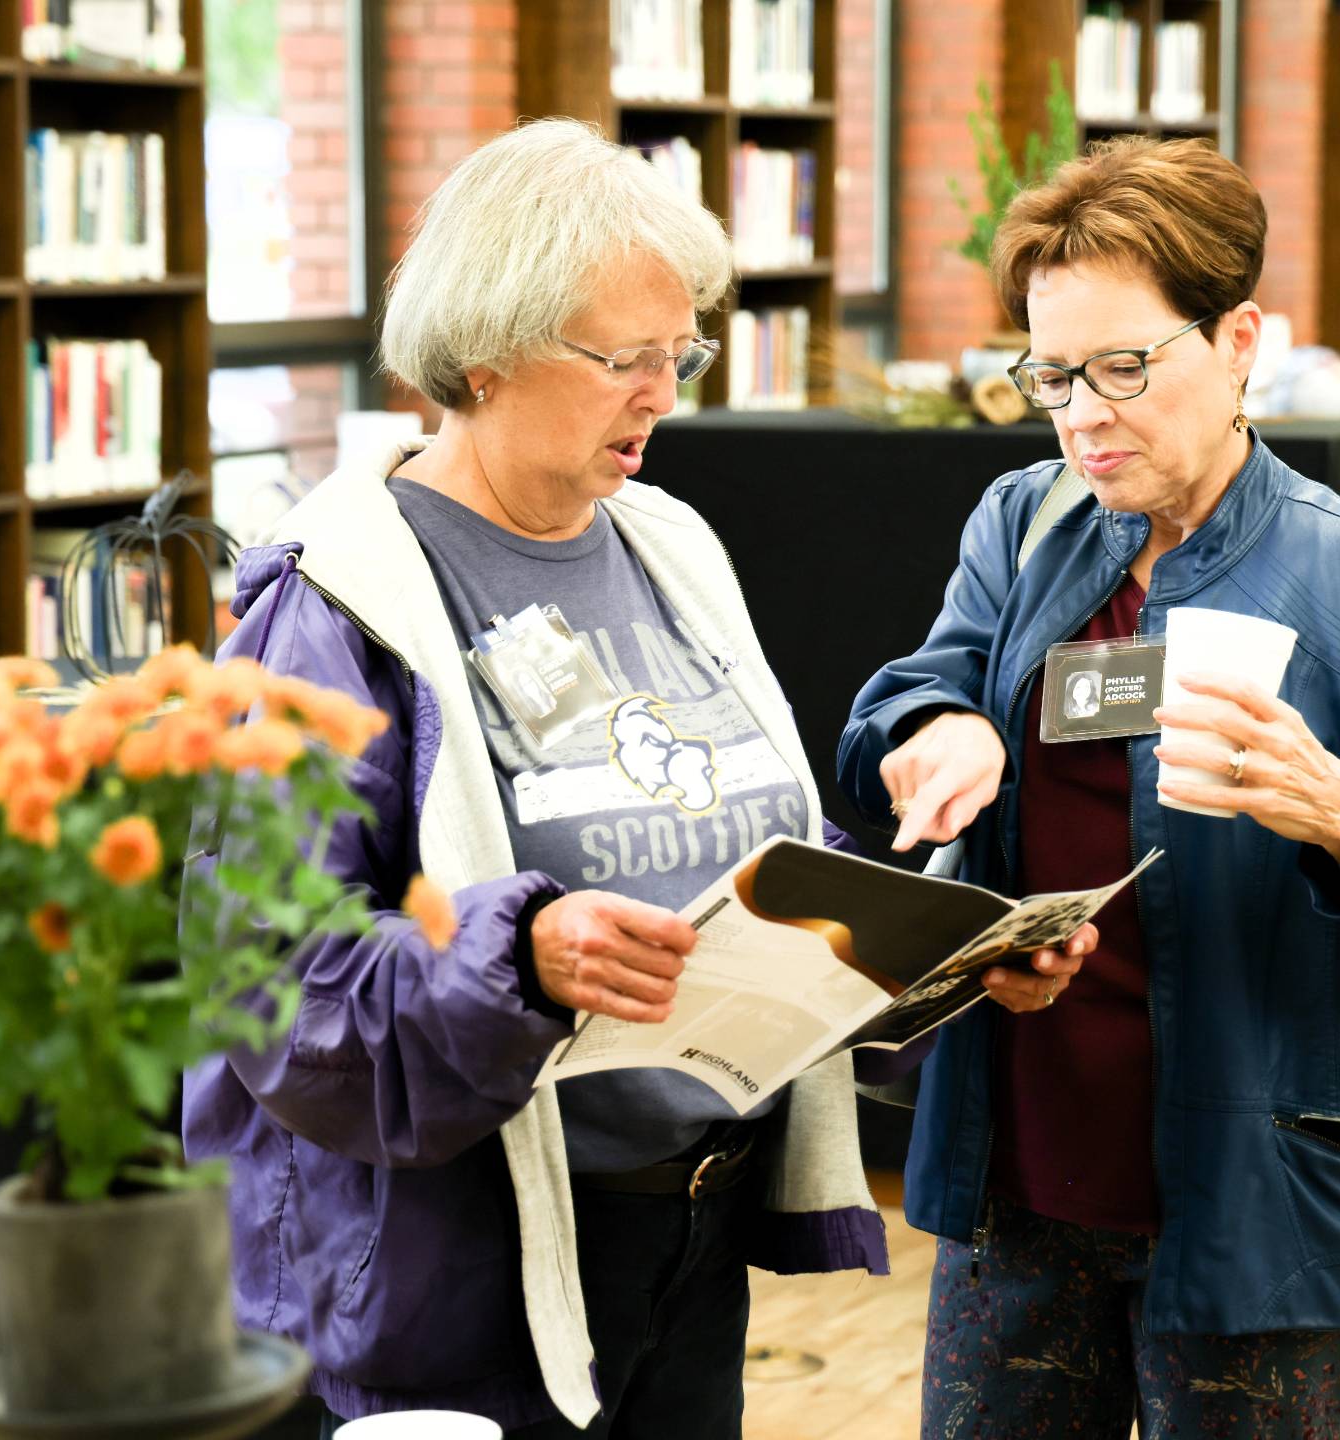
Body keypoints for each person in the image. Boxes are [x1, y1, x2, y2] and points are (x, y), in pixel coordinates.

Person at [182, 119, 899, 1439]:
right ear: (487, 351)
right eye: (625, 359)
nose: (663, 394)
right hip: (447, 1284)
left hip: (685, 1242)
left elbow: (722, 832)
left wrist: (914, 933)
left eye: (680, 354)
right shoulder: (333, 609)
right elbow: (271, 987)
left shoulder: (670, 546)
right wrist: (521, 958)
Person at [837, 137, 1340, 1439]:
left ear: (1237, 342)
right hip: (1020, 1182)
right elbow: (915, 687)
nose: (1083, 416)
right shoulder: (1025, 525)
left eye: (1123, 367)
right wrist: (940, 728)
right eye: (1052, 375)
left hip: (1265, 1212)